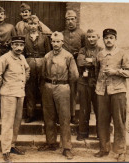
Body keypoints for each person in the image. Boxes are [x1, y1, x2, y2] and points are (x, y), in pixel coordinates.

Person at [94, 28, 129, 162]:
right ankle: (104, 148)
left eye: (111, 38)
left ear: (115, 39)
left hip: (118, 91)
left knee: (119, 121)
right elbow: (96, 72)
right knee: (102, 121)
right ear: (103, 40)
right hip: (102, 91)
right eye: (106, 38)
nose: (108, 40)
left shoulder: (122, 54)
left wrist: (116, 71)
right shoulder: (100, 54)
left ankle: (120, 151)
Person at [38, 31, 79, 160]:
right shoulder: (47, 56)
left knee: (64, 117)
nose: (55, 44)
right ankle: (51, 143)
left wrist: (64, 84)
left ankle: (67, 147)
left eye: (58, 41)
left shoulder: (68, 56)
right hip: (48, 87)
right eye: (53, 41)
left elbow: (74, 75)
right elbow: (43, 73)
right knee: (48, 116)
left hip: (62, 88)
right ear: (51, 42)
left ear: (62, 42)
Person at [0, 36, 30, 162]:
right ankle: (6, 150)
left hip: (20, 93)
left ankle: (12, 145)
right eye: (16, 45)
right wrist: (5, 86)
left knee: (17, 122)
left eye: (21, 45)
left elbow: (27, 68)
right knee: (7, 123)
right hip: (8, 94)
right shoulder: (5, 58)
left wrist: (24, 79)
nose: (19, 48)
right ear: (11, 45)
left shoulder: (22, 57)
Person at [76, 29, 103, 141]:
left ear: (98, 37)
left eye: (93, 37)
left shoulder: (102, 50)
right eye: (89, 37)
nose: (91, 39)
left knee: (100, 109)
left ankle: (101, 134)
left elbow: (102, 62)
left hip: (98, 83)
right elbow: (80, 62)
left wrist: (92, 61)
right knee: (84, 108)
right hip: (84, 83)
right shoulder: (83, 50)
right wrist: (94, 61)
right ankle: (83, 132)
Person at [24, 15, 51, 123]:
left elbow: (49, 53)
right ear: (27, 25)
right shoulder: (24, 37)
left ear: (38, 24)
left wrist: (47, 66)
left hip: (42, 63)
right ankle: (31, 114)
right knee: (30, 89)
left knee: (44, 89)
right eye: (31, 24)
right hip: (29, 64)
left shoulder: (44, 37)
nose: (33, 26)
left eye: (35, 23)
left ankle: (46, 115)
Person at [62, 10, 85, 124]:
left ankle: (72, 115)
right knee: (62, 89)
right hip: (63, 64)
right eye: (68, 19)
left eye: (72, 19)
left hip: (76, 65)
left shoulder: (82, 34)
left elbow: (85, 50)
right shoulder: (62, 34)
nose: (70, 21)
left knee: (73, 91)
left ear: (76, 20)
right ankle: (62, 114)